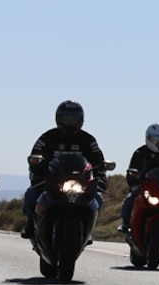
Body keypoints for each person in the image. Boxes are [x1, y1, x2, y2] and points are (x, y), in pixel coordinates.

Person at [21, 100, 108, 239]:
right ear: (59, 118)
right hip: (52, 181)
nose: (70, 122)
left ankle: (88, 229)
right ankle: (31, 224)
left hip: (80, 183)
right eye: (67, 118)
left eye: (74, 118)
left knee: (98, 198)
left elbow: (98, 161)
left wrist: (100, 178)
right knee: (31, 196)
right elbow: (35, 159)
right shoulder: (48, 138)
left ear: (81, 120)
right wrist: (38, 175)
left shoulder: (88, 140)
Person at [118, 123, 159, 233]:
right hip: (144, 188)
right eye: (156, 140)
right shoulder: (140, 153)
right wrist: (134, 186)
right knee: (130, 199)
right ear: (148, 138)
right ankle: (125, 223)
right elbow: (131, 171)